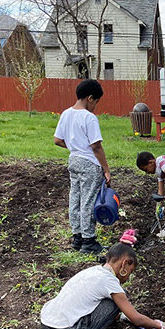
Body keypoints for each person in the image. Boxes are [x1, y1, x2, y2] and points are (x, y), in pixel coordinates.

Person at [40, 243, 165, 329]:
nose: (128, 278)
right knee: (116, 302)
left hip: (48, 325)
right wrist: (158, 325)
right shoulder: (109, 281)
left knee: (114, 300)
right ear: (124, 263)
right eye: (130, 272)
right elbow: (136, 318)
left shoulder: (93, 271)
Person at [54, 79, 110, 254]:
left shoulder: (66, 114)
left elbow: (57, 140)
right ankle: (89, 241)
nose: (96, 106)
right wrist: (106, 169)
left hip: (73, 161)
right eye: (97, 102)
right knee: (88, 200)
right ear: (90, 98)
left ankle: (77, 237)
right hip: (88, 163)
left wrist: (74, 147)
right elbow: (96, 146)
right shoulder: (89, 118)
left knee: (75, 199)